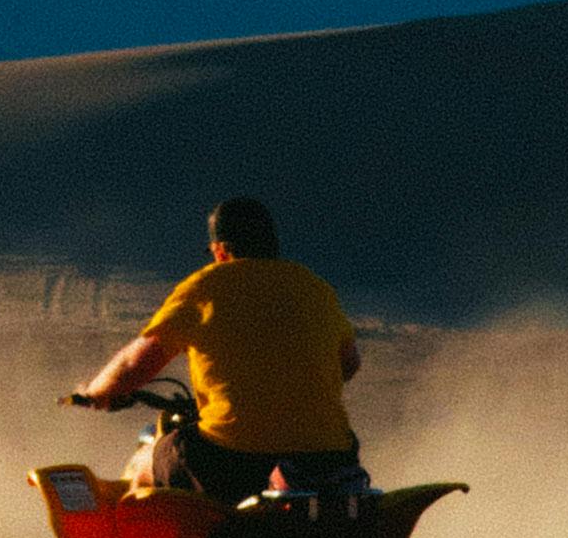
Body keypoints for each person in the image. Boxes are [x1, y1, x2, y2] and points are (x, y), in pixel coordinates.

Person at [69, 196, 367, 499]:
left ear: (221, 250)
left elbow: (134, 366)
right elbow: (349, 364)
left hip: (230, 460)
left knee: (146, 461)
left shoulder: (205, 288)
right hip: (328, 458)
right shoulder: (316, 289)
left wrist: (96, 392)